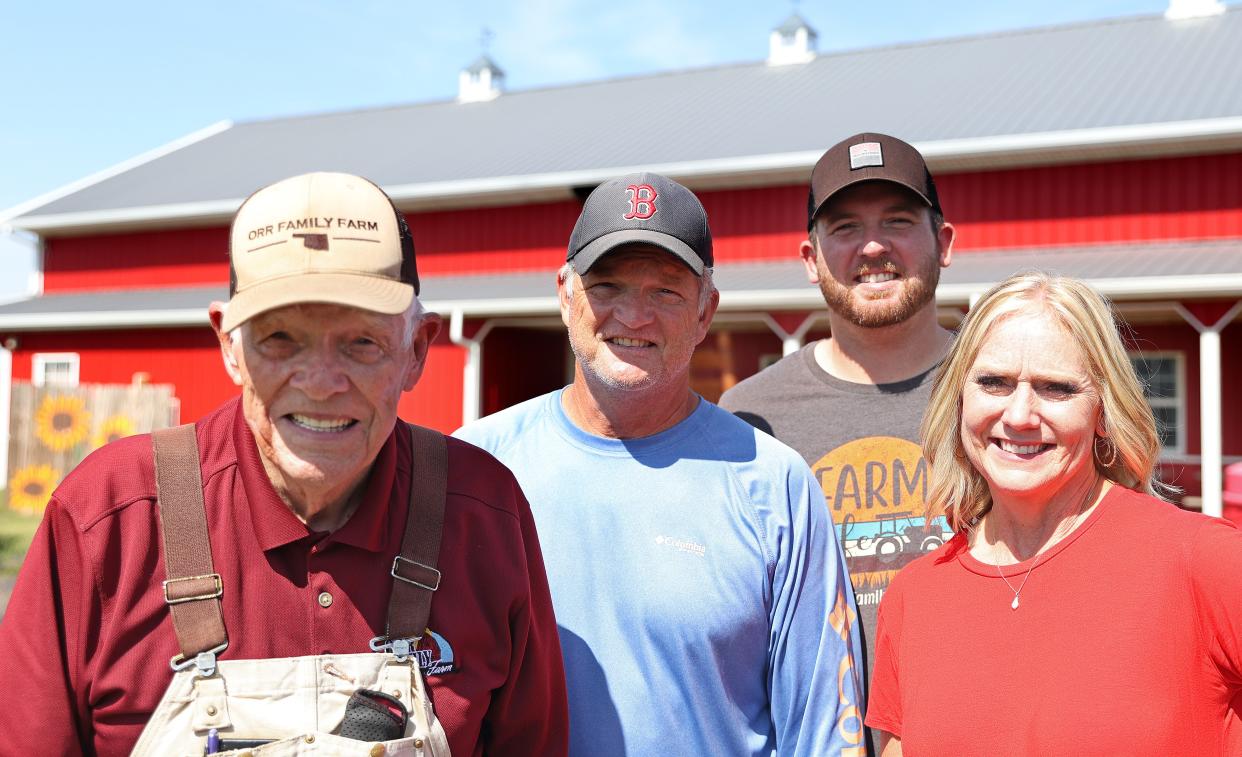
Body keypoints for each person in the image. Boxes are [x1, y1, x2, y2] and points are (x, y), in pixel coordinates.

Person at [0, 172, 568, 756]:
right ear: (229, 345)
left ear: (417, 350)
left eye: (362, 343)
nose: (321, 384)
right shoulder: (107, 519)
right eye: (280, 338)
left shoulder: (483, 512)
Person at [455, 172, 864, 756]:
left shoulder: (774, 484)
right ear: (565, 294)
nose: (634, 315)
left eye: (666, 292)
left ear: (705, 312)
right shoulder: (477, 468)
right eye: (608, 286)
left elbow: (824, 730)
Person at [864, 271, 1242, 755]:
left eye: (1057, 388)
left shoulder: (1200, 562)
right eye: (994, 382)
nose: (1020, 415)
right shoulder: (916, 595)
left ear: (1103, 412)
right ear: (959, 400)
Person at [719, 133, 956, 714]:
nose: (872, 247)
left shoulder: (1006, 392)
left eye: (898, 221)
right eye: (845, 228)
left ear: (943, 242)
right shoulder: (749, 419)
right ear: (810, 259)